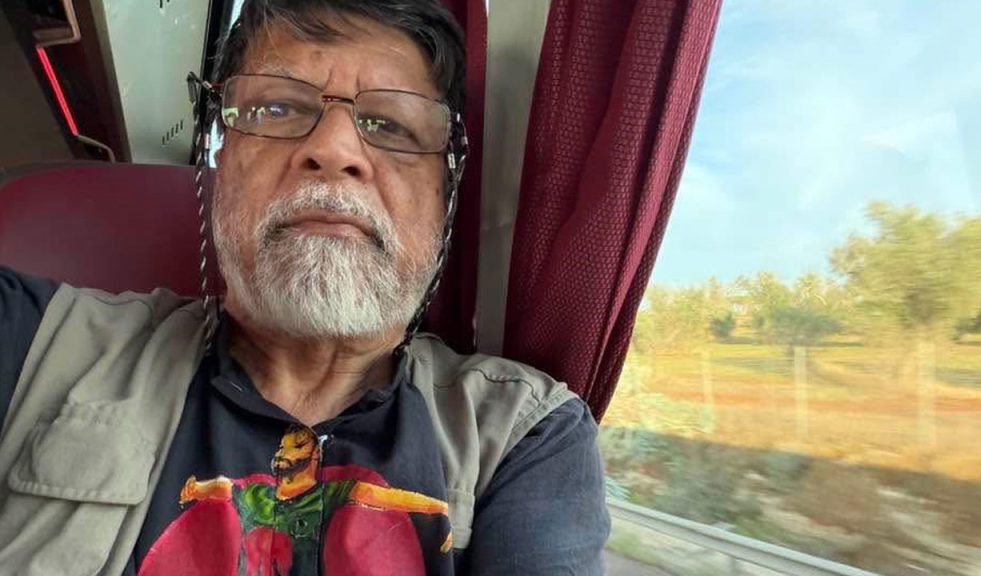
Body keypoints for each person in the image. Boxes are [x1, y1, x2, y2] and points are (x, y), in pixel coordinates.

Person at [0, 1, 609, 574]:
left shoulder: (527, 436)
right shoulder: (35, 341)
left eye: (390, 124)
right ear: (221, 164)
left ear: (443, 200)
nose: (334, 149)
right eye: (276, 109)